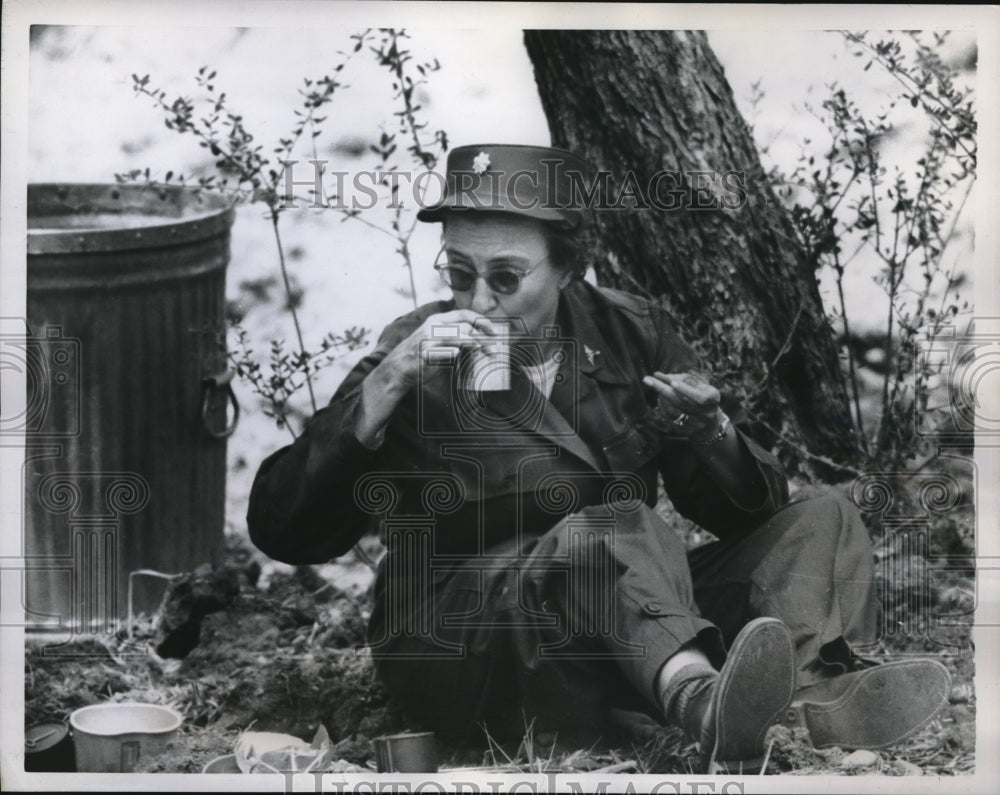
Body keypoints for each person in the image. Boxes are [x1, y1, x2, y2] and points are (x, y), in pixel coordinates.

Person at [248, 144, 950, 771]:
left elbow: (750, 514)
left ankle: (800, 706)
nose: (478, 300)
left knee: (822, 515)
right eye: (460, 274)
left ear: (568, 270)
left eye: (505, 277)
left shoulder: (627, 331)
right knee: (614, 524)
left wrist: (711, 434)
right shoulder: (413, 351)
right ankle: (705, 702)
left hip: (620, 616)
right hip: (465, 640)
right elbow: (285, 529)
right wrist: (382, 389)